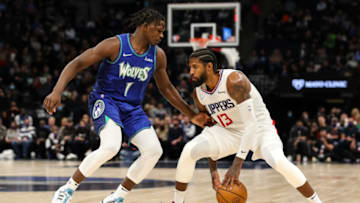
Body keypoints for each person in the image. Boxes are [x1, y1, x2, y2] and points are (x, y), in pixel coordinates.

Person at [43, 8, 210, 203]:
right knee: (111, 146)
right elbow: (77, 63)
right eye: (158, 30)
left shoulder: (158, 55)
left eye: (163, 31)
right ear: (145, 27)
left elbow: (167, 89)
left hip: (132, 108)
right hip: (106, 100)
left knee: (154, 150)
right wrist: (57, 91)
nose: (161, 35)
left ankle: (118, 196)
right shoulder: (115, 45)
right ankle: (67, 189)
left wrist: (191, 114)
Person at [172, 48, 322, 203]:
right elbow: (210, 128)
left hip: (259, 129)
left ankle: (317, 201)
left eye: (194, 67)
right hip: (228, 131)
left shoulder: (234, 80)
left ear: (209, 66)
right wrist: (213, 171)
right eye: (190, 67)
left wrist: (237, 164)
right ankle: (177, 201)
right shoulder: (199, 94)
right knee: (189, 151)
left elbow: (251, 125)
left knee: (277, 161)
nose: (190, 71)